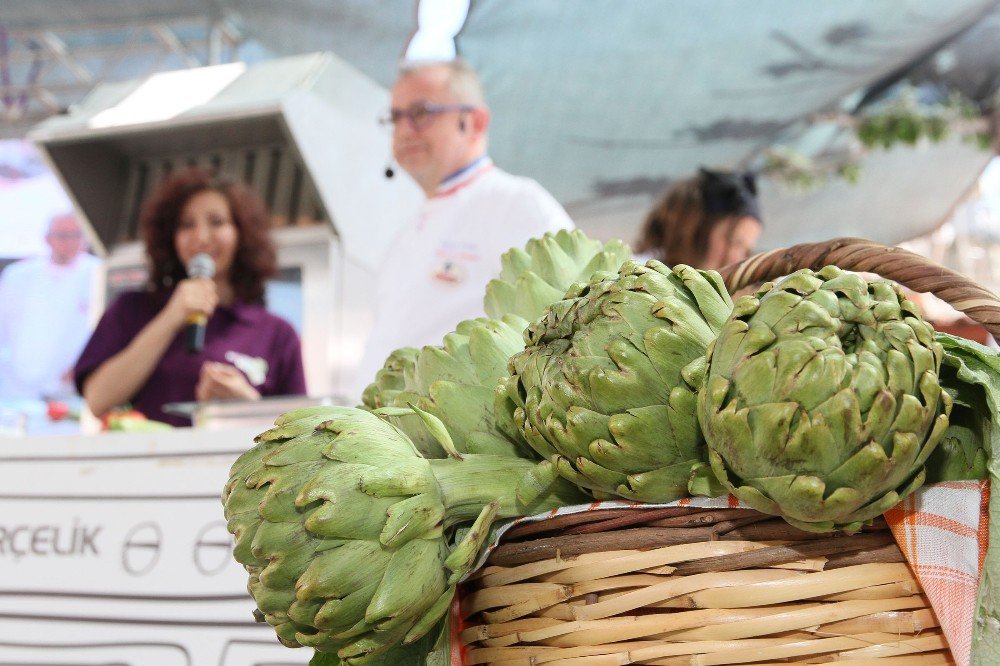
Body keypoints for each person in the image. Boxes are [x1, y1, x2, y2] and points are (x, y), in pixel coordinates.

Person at [354, 58, 574, 392]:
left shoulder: (516, 202)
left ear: (474, 121)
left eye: (421, 112)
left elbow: (568, 321)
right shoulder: (406, 232)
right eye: (395, 117)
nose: (404, 130)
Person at [74, 168, 306, 426]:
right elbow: (97, 400)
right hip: (149, 463)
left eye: (217, 222)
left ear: (242, 233)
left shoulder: (276, 333)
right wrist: (171, 316)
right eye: (186, 225)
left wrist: (246, 405)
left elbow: (297, 437)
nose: (201, 237)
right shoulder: (132, 309)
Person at [0, 212, 100, 401]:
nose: (69, 242)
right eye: (62, 235)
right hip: (17, 386)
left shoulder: (98, 274)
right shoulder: (18, 275)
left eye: (76, 235)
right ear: (47, 238)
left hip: (72, 388)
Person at [635, 168, 763, 270]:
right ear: (689, 228)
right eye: (733, 242)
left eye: (746, 251)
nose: (738, 259)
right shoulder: (635, 277)